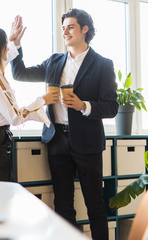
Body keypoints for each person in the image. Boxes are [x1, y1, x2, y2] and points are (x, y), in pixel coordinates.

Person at [9, 9, 118, 240]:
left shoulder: (102, 65)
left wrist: (83, 105)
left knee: (95, 205)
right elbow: (19, 74)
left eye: (70, 27)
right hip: (57, 140)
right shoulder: (54, 61)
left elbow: (111, 107)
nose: (65, 32)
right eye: (63, 28)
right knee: (63, 205)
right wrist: (15, 45)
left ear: (84, 29)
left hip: (87, 143)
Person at [0, 27, 57, 182]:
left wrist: (12, 41)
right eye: (5, 45)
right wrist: (42, 100)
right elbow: (15, 118)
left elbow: (4, 58)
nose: (7, 48)